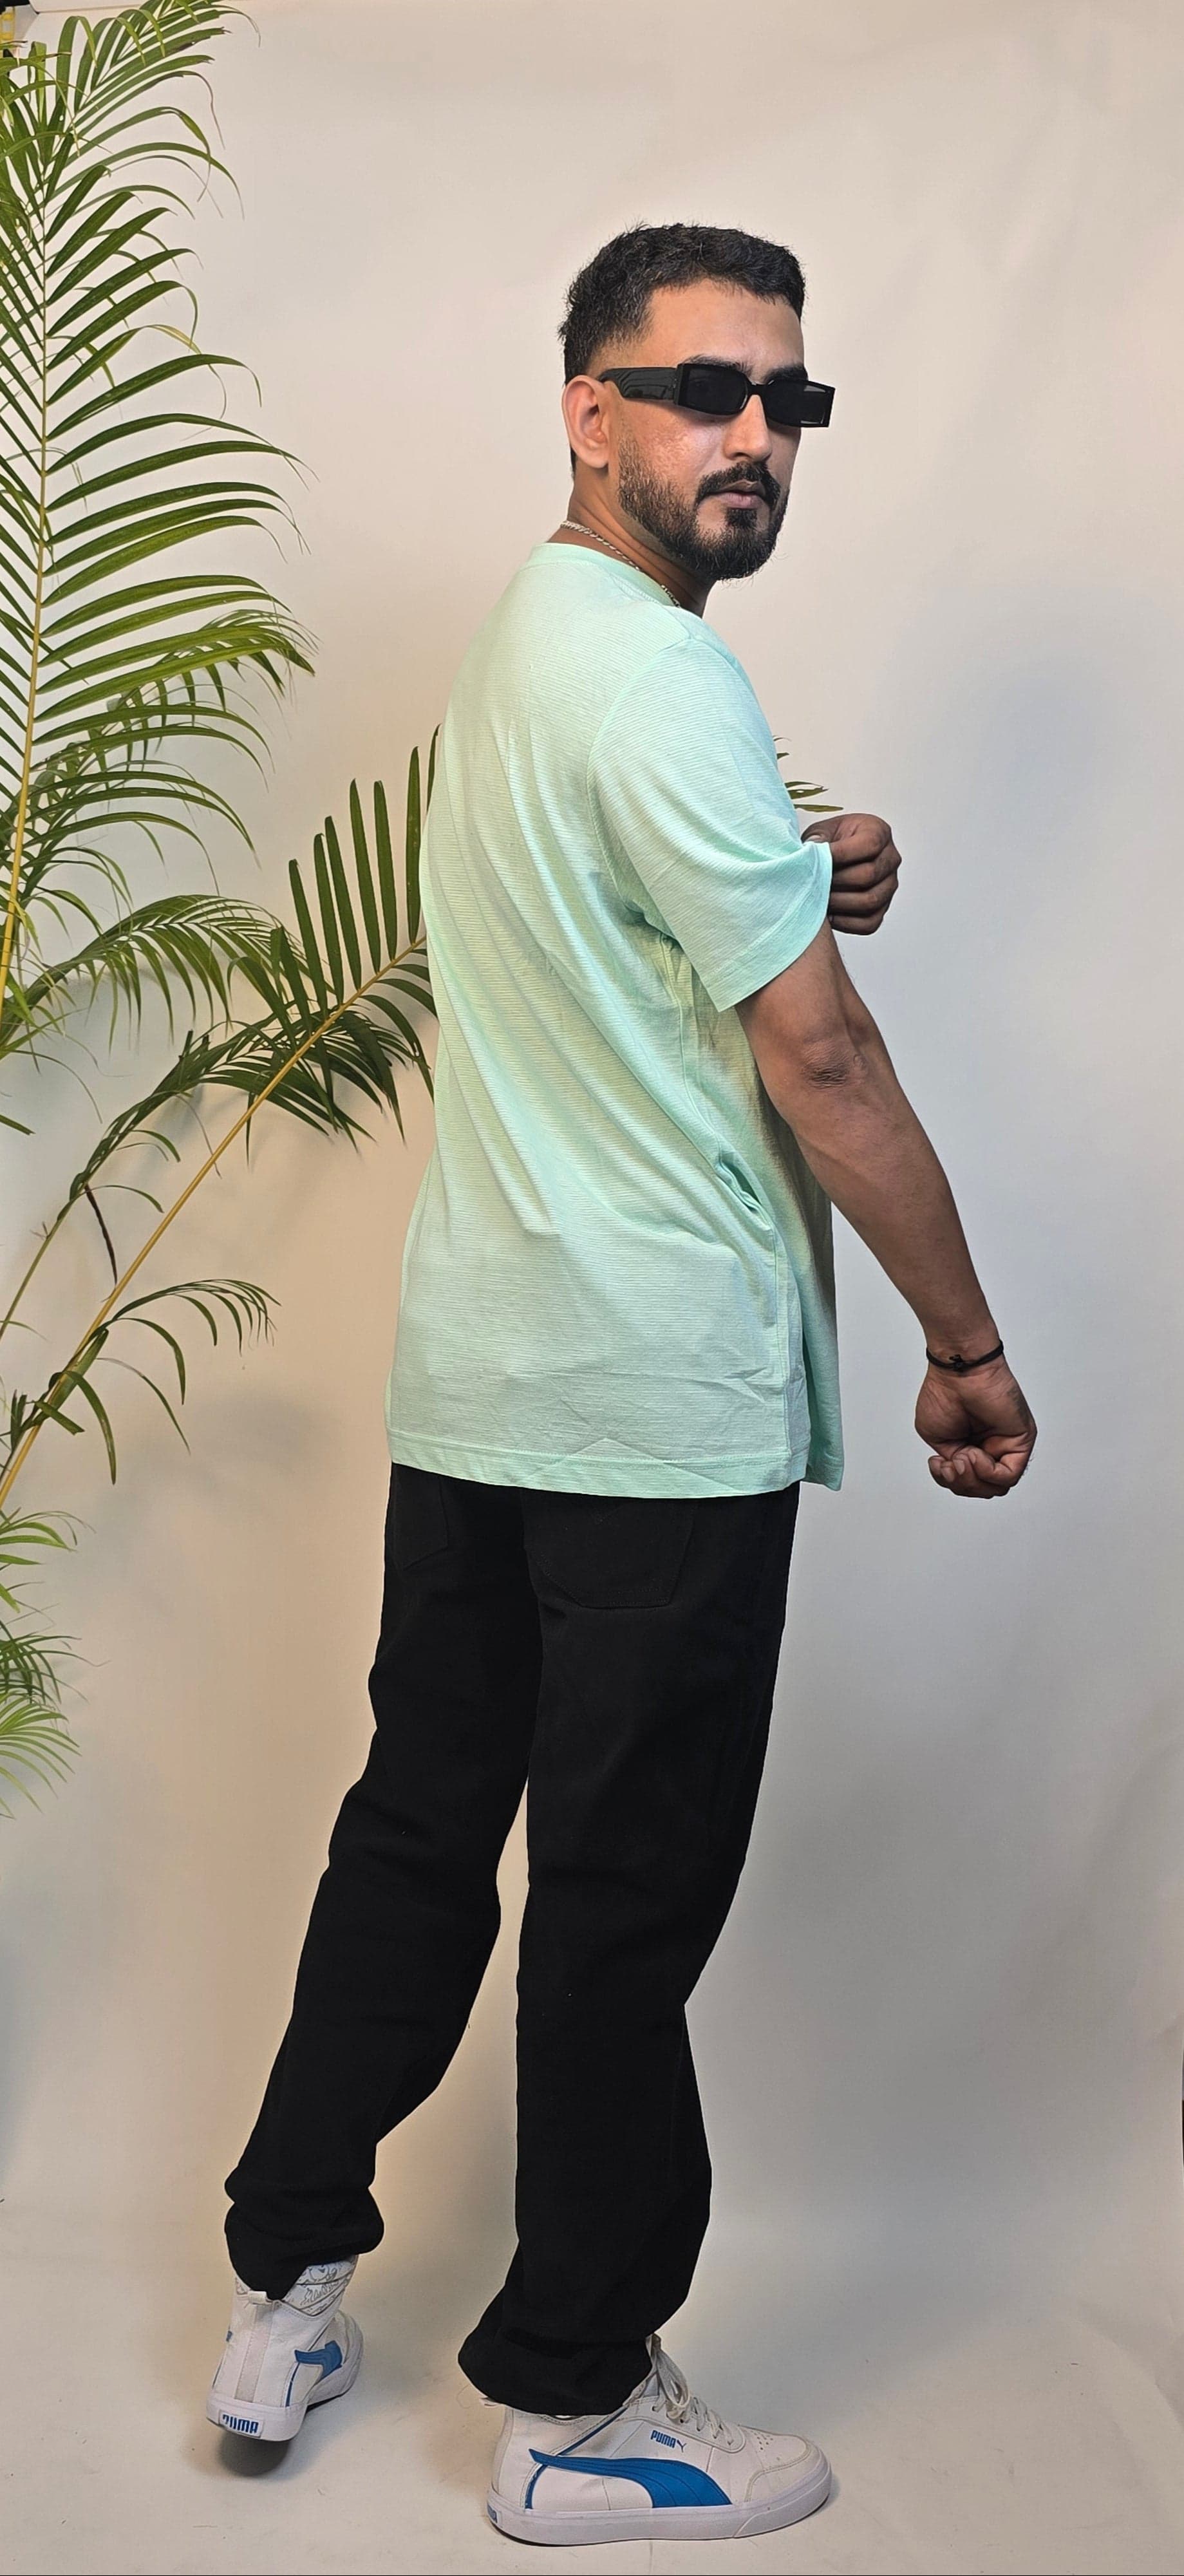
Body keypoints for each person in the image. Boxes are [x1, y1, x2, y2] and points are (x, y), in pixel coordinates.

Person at [207, 221, 1037, 2544]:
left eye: (788, 398)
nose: (752, 433)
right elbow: (824, 1059)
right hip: (651, 1407)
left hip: (485, 1375)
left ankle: (285, 2277)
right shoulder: (658, 680)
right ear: (590, 409)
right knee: (619, 1902)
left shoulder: (541, 639)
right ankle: (579, 2404)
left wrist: (804, 849)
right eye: (700, 390)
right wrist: (965, 1344)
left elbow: (637, 903)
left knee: (414, 1834)